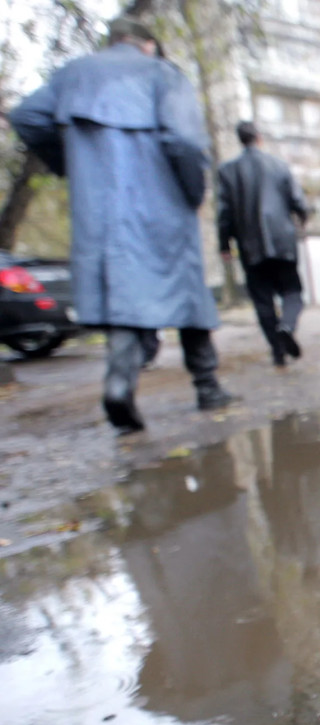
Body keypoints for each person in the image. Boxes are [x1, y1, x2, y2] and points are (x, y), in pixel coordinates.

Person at [9, 17, 235, 434]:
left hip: (101, 206)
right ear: (149, 45)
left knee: (123, 298)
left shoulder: (73, 73)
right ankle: (208, 387)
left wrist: (69, 162)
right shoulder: (163, 74)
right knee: (186, 292)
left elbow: (27, 116)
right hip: (162, 199)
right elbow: (185, 140)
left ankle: (119, 384)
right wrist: (193, 190)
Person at [217, 121, 310, 367]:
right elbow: (298, 201)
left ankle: (278, 352)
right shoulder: (279, 166)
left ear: (240, 140)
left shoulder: (227, 171)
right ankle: (287, 326)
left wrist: (224, 244)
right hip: (282, 241)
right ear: (258, 137)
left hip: (250, 245)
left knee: (262, 300)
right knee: (293, 292)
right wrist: (303, 218)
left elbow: (224, 212)